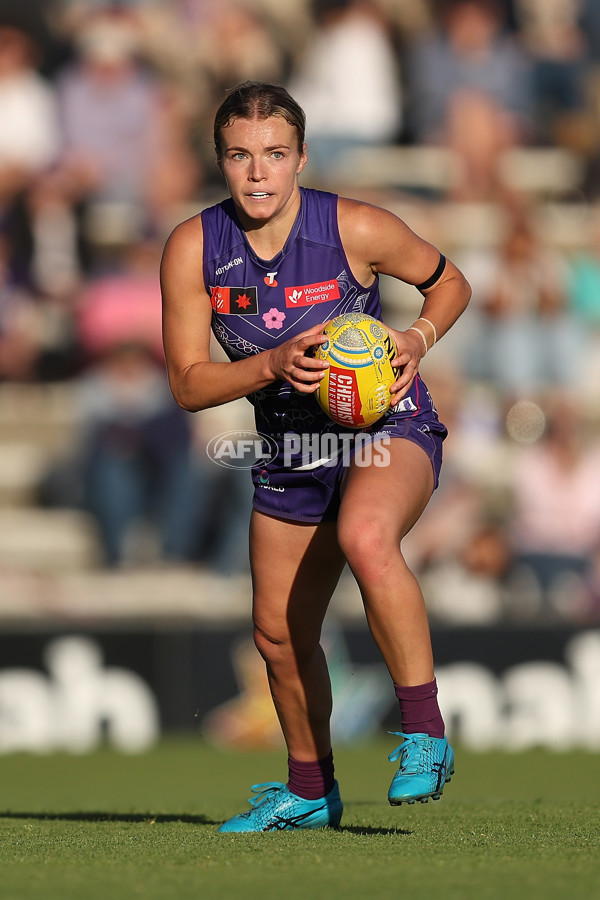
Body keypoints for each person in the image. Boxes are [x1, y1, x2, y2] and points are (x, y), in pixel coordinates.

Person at [160, 81, 471, 832]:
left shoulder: (355, 227)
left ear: (301, 158)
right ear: (222, 162)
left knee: (368, 537)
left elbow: (449, 283)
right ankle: (309, 788)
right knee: (277, 633)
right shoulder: (195, 246)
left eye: (274, 154)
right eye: (241, 156)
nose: (258, 172)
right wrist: (269, 365)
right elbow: (188, 383)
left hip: (385, 426)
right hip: (292, 448)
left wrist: (417, 339)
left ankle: (425, 733)